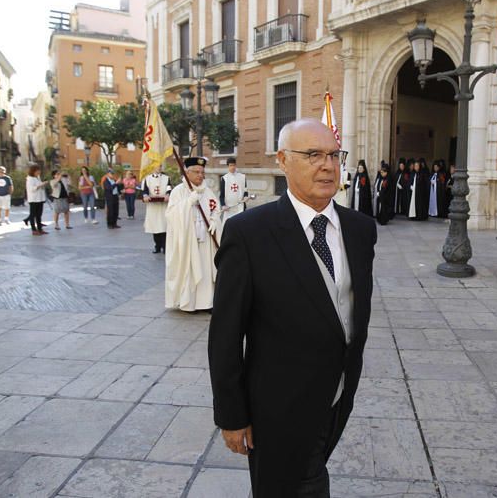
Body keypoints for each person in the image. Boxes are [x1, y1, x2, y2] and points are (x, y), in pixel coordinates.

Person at [209, 118, 377, 497]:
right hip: (276, 407)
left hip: (337, 397)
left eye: (334, 155)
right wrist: (232, 416)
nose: (328, 165)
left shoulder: (360, 230)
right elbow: (225, 334)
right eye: (313, 155)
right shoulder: (249, 233)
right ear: (282, 161)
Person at [165, 156, 222, 312]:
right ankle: (189, 304)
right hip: (187, 241)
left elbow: (216, 209)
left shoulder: (208, 191)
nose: (200, 175)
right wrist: (188, 202)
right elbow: (170, 215)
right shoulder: (178, 191)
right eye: (196, 172)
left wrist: (215, 221)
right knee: (190, 271)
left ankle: (206, 303)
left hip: (205, 241)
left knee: (205, 270)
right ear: (187, 172)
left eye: (202, 172)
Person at [142, 166, 172, 254]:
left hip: (163, 206)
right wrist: (145, 196)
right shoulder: (147, 179)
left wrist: (167, 194)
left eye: (160, 166)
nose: (159, 168)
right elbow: (144, 190)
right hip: (153, 207)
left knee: (164, 226)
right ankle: (157, 246)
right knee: (155, 227)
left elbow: (169, 188)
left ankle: (165, 247)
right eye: (157, 166)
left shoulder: (166, 178)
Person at [24, 164, 48, 235]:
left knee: (39, 215)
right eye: (37, 171)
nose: (39, 172)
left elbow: (39, 186)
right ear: (33, 171)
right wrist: (41, 185)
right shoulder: (30, 179)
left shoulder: (37, 177)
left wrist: (42, 185)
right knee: (33, 214)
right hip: (33, 199)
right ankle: (33, 229)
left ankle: (40, 228)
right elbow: (32, 189)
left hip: (40, 198)